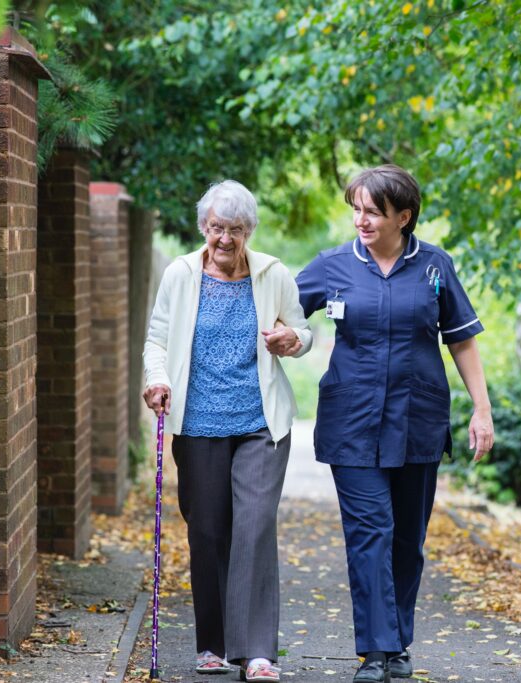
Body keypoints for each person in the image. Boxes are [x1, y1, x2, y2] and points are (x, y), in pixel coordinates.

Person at [296, 165, 494, 683]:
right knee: (371, 532)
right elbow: (280, 309)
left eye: (373, 211)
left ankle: (398, 641)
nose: (360, 220)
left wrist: (482, 409)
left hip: (418, 419)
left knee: (408, 538)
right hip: (352, 422)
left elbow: (462, 340)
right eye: (356, 209)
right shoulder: (333, 265)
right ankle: (377, 651)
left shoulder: (434, 266)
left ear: (403, 217)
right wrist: (286, 337)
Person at [143, 180, 311, 683]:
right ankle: (214, 644)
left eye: (235, 230)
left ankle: (257, 651)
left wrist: (291, 340)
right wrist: (157, 380)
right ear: (203, 228)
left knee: (255, 525)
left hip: (261, 423)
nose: (225, 239)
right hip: (197, 424)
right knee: (209, 529)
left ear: (249, 231)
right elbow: (157, 339)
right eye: (217, 228)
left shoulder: (272, 275)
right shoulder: (180, 274)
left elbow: (302, 330)